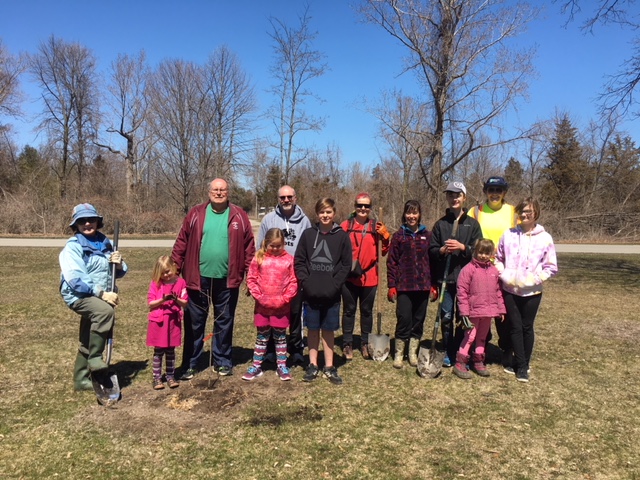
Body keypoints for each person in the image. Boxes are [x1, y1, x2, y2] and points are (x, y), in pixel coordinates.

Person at [171, 178, 255, 379]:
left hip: (227, 279)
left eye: (222, 190)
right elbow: (182, 241)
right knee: (194, 322)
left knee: (224, 321)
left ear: (228, 192)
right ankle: (191, 363)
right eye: (215, 190)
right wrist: (174, 268)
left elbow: (249, 247)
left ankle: (222, 361)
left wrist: (250, 275)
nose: (219, 193)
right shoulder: (196, 213)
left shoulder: (239, 215)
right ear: (209, 192)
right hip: (197, 278)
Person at [59, 203, 128, 391]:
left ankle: (81, 380)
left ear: (98, 222)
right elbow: (75, 279)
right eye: (82, 221)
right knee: (104, 313)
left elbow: (119, 272)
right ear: (76, 225)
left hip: (102, 295)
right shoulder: (73, 246)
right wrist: (102, 293)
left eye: (91, 220)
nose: (87, 223)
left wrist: (119, 263)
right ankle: (95, 358)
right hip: (79, 294)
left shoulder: (105, 243)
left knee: (87, 334)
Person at [495, 198, 558, 383]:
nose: (524, 215)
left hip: (532, 292)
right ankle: (519, 364)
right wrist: (505, 275)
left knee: (526, 327)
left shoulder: (545, 238)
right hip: (510, 290)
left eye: (528, 211)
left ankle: (524, 364)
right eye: (521, 211)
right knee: (514, 327)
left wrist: (534, 279)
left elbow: (551, 267)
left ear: (535, 213)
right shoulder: (508, 235)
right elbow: (498, 258)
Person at [294, 198, 351, 385]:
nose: (325, 215)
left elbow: (346, 264)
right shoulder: (308, 234)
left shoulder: (341, 236)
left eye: (328, 212)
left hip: (332, 294)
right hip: (311, 293)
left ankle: (328, 366)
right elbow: (299, 261)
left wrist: (336, 284)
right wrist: (306, 281)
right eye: (322, 212)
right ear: (317, 214)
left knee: (328, 330)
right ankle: (312, 364)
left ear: (334, 213)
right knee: (312, 329)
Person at [429, 182, 483, 367]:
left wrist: (462, 248)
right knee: (445, 317)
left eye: (457, 195)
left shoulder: (472, 224)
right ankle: (447, 350)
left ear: (464, 198)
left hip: (466, 281)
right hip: (445, 280)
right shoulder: (440, 224)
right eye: (450, 195)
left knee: (464, 318)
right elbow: (432, 250)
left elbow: (479, 249)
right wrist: (442, 250)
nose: (454, 198)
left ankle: (462, 352)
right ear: (447, 197)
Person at [257, 185, 311, 367]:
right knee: (272, 314)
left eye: (289, 197)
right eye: (282, 197)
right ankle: (271, 351)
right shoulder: (269, 219)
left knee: (296, 314)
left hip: (294, 277)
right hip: (271, 279)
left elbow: (310, 247)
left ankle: (296, 350)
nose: (286, 200)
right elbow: (260, 249)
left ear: (295, 197)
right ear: (278, 199)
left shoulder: (304, 221)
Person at [469, 176, 517, 366]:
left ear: (504, 192)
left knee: (504, 310)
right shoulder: (476, 211)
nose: (494, 193)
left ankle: (506, 349)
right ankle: (482, 346)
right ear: (485, 191)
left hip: (505, 268)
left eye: (498, 190)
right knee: (482, 309)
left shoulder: (513, 211)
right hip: (481, 267)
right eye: (491, 189)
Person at [340, 193, 390, 360]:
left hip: (370, 276)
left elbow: (383, 251)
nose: (363, 209)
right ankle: (347, 343)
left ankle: (365, 343)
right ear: (355, 206)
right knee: (349, 310)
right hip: (349, 276)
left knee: (366, 311)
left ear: (370, 208)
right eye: (360, 205)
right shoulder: (345, 225)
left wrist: (385, 237)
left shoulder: (376, 226)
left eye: (366, 206)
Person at [243, 228, 298, 381]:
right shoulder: (259, 258)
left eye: (278, 246)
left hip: (281, 307)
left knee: (280, 338)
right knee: (262, 337)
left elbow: (293, 282)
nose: (275, 249)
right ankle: (256, 366)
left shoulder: (289, 260)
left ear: (283, 244)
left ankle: (281, 366)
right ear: (266, 243)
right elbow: (251, 279)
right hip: (262, 308)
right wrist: (259, 297)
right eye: (272, 245)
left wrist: (285, 298)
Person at [386, 200, 436, 369]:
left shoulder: (427, 236)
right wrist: (392, 285)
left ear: (419, 214)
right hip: (404, 285)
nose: (411, 216)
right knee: (404, 318)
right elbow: (391, 262)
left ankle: (412, 353)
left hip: (423, 285)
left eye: (414, 213)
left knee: (418, 320)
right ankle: (399, 353)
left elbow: (433, 262)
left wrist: (434, 284)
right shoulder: (399, 236)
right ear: (404, 214)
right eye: (409, 213)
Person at [453, 239, 506, 379]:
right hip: (473, 311)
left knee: (482, 337)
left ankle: (478, 361)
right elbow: (462, 292)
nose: (483, 256)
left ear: (491, 254)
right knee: (470, 337)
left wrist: (501, 309)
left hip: (488, 312)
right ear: (475, 251)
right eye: (480, 252)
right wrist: (464, 311)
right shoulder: (468, 270)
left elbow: (498, 291)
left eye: (486, 253)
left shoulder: (494, 271)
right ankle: (460, 362)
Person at [146, 255, 188, 390]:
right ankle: (156, 378)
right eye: (163, 273)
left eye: (168, 271)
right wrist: (162, 300)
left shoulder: (181, 282)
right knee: (158, 351)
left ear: (173, 268)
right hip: (159, 321)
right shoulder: (156, 283)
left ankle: (170, 375)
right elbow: (150, 303)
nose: (166, 275)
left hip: (173, 321)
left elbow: (185, 303)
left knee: (171, 350)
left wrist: (176, 299)